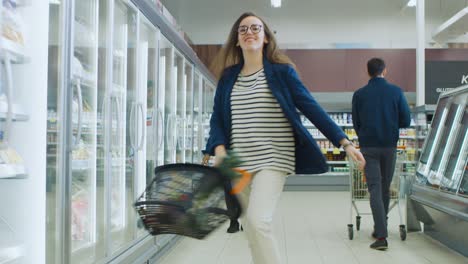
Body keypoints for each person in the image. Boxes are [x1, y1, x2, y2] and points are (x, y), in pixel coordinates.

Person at [203, 12, 365, 264]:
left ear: (265, 37)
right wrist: (220, 150)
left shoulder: (282, 73)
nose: (249, 33)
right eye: (243, 30)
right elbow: (217, 119)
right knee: (250, 227)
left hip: (274, 157)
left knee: (259, 221)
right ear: (237, 40)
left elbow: (311, 108)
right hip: (237, 162)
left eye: (255, 28)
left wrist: (343, 142)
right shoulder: (228, 78)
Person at [352, 58, 411, 251]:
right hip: (389, 146)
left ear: (367, 72)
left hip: (368, 147)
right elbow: (406, 120)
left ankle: (381, 233)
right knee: (384, 188)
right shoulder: (396, 92)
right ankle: (380, 230)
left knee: (375, 188)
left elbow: (356, 123)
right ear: (384, 71)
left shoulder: (359, 94)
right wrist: (391, 123)